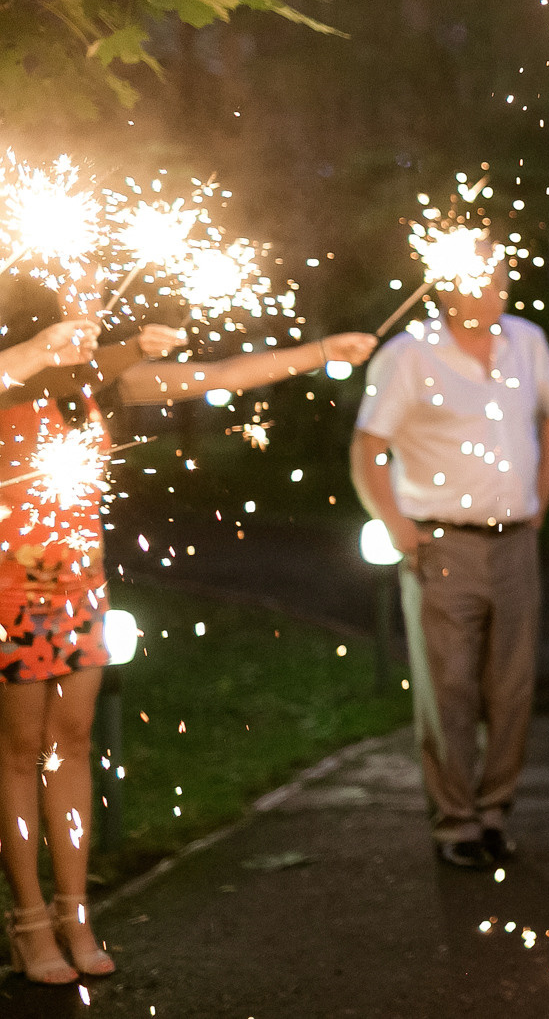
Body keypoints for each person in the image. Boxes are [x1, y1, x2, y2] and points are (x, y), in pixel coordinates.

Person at [1, 271, 374, 985]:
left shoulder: (99, 384)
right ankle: (26, 920)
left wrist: (322, 347)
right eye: (76, 287)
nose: (92, 297)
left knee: (72, 741)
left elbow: (218, 373)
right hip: (10, 592)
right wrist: (55, 346)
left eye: (96, 287)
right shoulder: (12, 376)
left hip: (83, 588)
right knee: (20, 750)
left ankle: (74, 909)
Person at [350, 253, 549, 870]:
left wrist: (541, 497)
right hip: (442, 541)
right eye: (485, 282)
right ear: (449, 292)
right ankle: (455, 820)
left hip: (515, 542)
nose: (498, 291)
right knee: (447, 687)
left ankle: (496, 809)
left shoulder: (526, 342)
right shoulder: (408, 354)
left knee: (512, 684)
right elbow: (368, 447)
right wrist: (395, 525)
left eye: (503, 279)